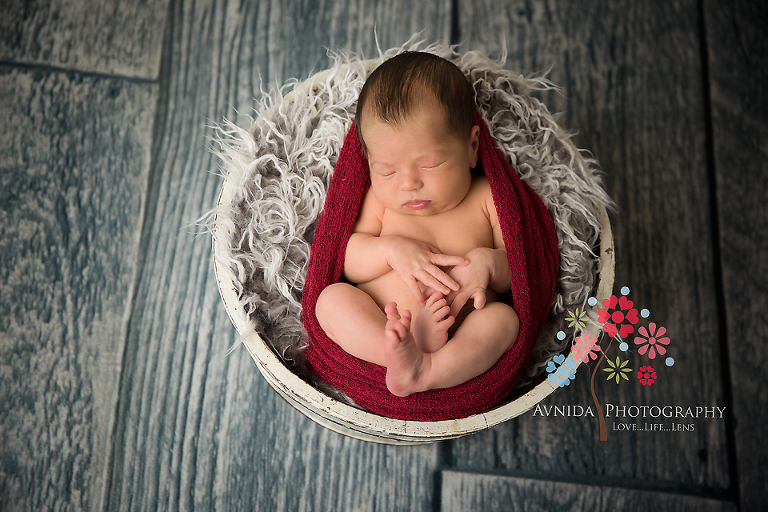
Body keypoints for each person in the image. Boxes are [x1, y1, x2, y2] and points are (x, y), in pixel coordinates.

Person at [314, 52, 519, 397]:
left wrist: (487, 264)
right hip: (386, 321)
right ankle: (397, 355)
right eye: (387, 170)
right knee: (330, 301)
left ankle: (430, 370)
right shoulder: (379, 202)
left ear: (471, 148)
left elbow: (518, 268)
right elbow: (348, 260)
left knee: (504, 321)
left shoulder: (486, 197)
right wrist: (390, 250)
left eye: (431, 164)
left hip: (463, 327)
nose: (408, 183)